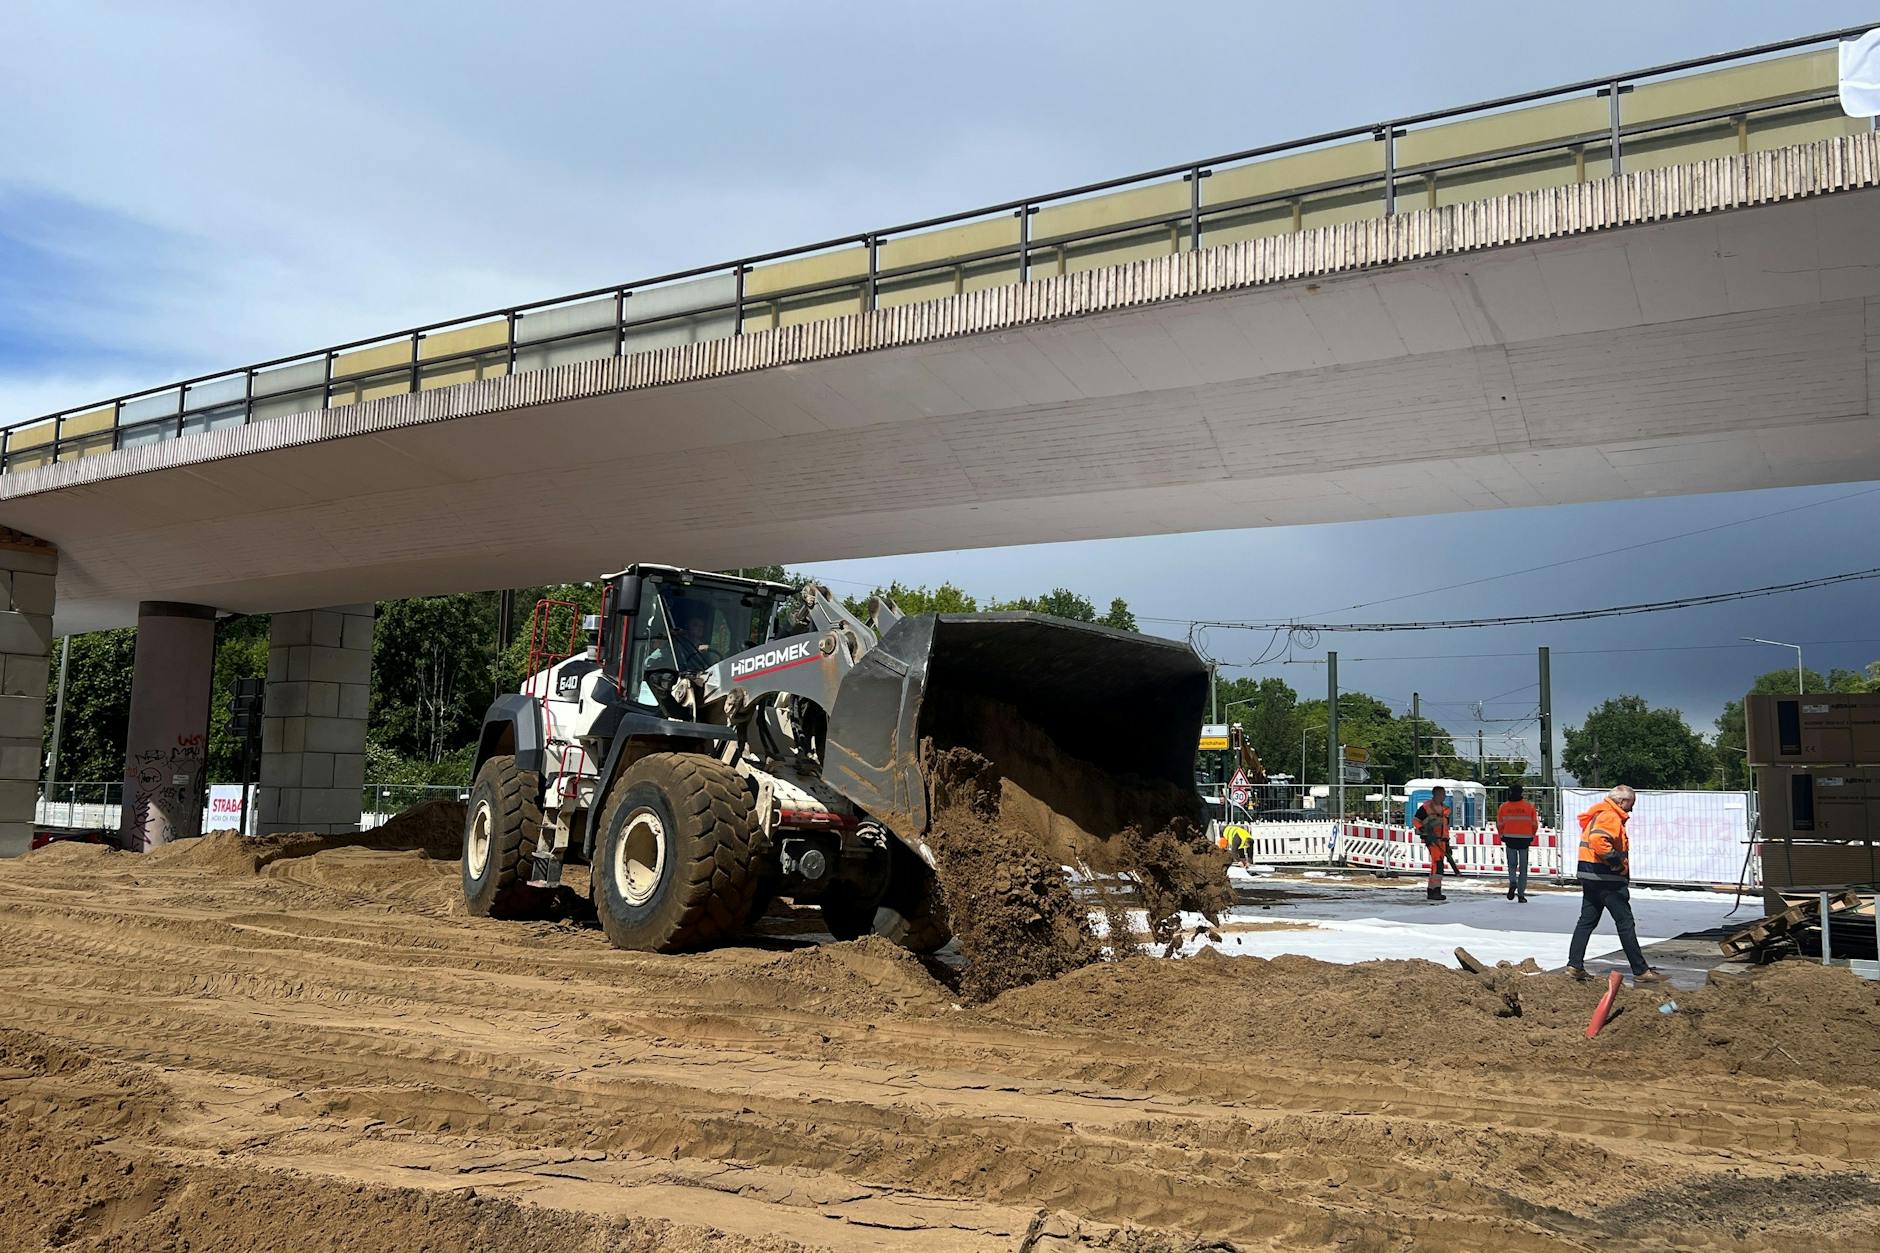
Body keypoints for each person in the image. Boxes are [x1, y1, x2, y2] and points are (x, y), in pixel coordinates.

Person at [1566, 784, 1666, 984]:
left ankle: (1575, 966)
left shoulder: (1598, 813)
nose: (1631, 809)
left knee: (1586, 921)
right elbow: (1598, 840)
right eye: (1631, 804)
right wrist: (1616, 862)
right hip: (1607, 879)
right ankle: (1641, 970)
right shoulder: (1610, 815)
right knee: (1625, 923)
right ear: (1622, 801)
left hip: (1591, 876)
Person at [1496, 783, 1540, 903]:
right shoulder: (1529, 806)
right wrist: (1532, 835)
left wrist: (1502, 835)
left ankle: (1512, 882)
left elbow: (1499, 823)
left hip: (1509, 837)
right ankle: (1521, 895)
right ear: (1522, 792)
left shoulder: (1503, 807)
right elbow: (1534, 824)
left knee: (1512, 865)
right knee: (1523, 868)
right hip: (1525, 838)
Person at [1414, 785, 1453, 902]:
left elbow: (1445, 827)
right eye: (1441, 794)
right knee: (1437, 864)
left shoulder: (1445, 809)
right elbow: (1416, 821)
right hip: (1432, 840)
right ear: (1435, 794)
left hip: (1442, 840)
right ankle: (1435, 890)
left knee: (1437, 865)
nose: (1443, 796)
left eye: (1444, 794)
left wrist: (1447, 843)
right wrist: (1424, 832)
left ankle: (1432, 890)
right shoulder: (1426, 807)